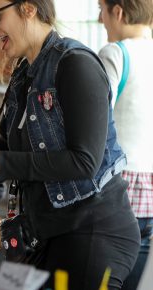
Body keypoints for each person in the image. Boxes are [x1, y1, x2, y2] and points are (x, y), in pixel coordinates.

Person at [0, 0, 141, 289]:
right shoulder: (23, 76)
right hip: (41, 233)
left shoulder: (76, 64)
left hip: (91, 232)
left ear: (29, 8)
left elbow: (85, 162)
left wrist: (0, 161)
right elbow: (0, 160)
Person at [97, 0, 153, 288]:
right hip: (150, 196)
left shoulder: (116, 53)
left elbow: (95, 119)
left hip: (117, 193)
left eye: (102, 10)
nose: (99, 19)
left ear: (118, 12)